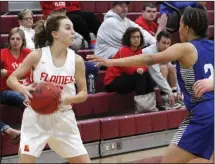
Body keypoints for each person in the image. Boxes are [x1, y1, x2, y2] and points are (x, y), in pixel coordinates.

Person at [87, 8, 214, 163]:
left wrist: (110, 61)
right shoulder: (212, 46)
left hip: (203, 114)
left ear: (186, 28)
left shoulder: (185, 48)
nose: (179, 29)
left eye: (180, 25)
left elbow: (149, 58)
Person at [6, 15, 91, 163]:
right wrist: (23, 88)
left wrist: (66, 98)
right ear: (55, 34)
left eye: (73, 28)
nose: (73, 32)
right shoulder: (37, 56)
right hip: (35, 117)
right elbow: (11, 79)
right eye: (68, 28)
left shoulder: (76, 60)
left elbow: (83, 94)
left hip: (63, 117)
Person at [142, 31, 182, 109]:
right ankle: (164, 100)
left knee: (171, 67)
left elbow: (174, 74)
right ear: (157, 43)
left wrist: (178, 92)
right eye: (163, 43)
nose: (166, 46)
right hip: (143, 77)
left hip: (157, 76)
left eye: (168, 43)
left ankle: (175, 97)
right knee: (163, 67)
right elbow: (156, 75)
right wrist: (169, 92)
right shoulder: (150, 53)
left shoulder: (166, 52)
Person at [1, 27, 31, 110]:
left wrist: (8, 73)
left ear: (23, 41)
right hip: (7, 90)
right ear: (9, 41)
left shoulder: (28, 53)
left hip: (26, 87)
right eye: (12, 39)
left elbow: (27, 73)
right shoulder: (2, 53)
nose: (15, 41)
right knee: (22, 98)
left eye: (18, 39)